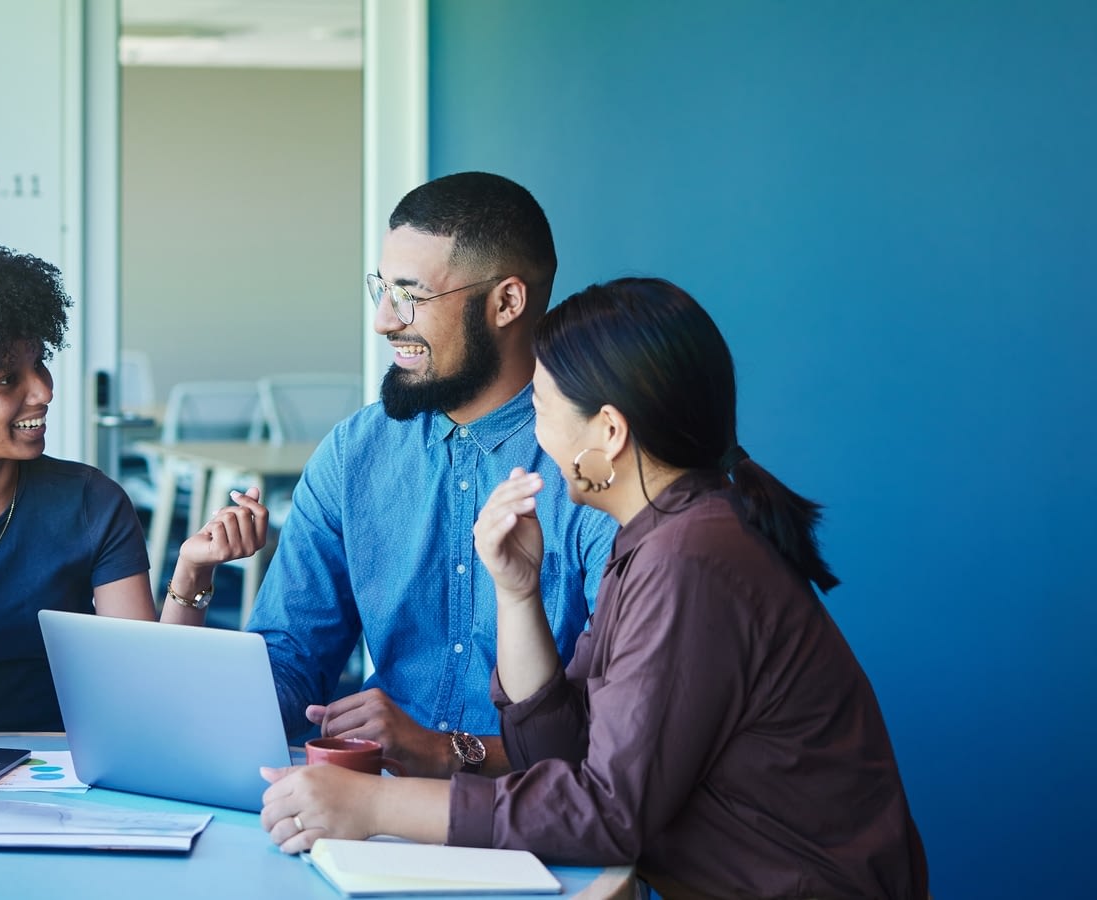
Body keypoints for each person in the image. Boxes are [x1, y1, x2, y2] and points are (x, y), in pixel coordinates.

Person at [261, 277, 929, 898]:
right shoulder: (665, 536)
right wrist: (518, 594)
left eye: (543, 411)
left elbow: (605, 814)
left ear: (608, 433)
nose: (537, 438)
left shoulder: (690, 559)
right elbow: (557, 754)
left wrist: (374, 804)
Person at [245, 172, 616, 778]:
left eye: (411, 295)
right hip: (369, 811)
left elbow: (617, 733)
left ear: (506, 302)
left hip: (545, 829)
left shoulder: (597, 468)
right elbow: (291, 658)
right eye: (382, 290)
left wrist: (444, 752)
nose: (385, 321)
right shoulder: (352, 454)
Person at [0, 243, 267, 732]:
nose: (43, 390)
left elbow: (146, 688)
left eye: (39, 363)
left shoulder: (90, 502)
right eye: (6, 379)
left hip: (70, 769)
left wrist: (191, 572)